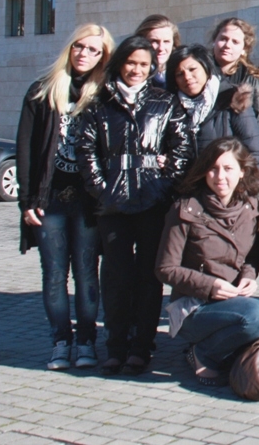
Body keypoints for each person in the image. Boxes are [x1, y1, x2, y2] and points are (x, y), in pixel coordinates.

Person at [76, 35, 193, 376]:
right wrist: (101, 189)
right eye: (132, 63)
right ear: (120, 63)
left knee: (148, 277)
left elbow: (182, 150)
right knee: (116, 278)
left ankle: (141, 347)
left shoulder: (165, 102)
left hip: (151, 203)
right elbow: (87, 152)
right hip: (113, 207)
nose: (137, 70)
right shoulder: (100, 104)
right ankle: (115, 346)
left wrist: (162, 184)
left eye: (144, 65)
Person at [17, 23, 115, 371]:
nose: (84, 54)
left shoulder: (105, 94)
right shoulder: (42, 92)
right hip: (50, 200)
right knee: (54, 274)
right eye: (79, 46)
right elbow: (26, 150)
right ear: (69, 48)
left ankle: (87, 341)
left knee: (88, 273)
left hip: (88, 203)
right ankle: (61, 341)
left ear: (104, 57)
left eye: (94, 50)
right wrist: (27, 201)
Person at [155, 138, 259, 386]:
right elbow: (165, 269)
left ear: (242, 172)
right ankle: (204, 353)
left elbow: (252, 256)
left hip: (234, 302)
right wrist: (210, 286)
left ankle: (215, 350)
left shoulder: (252, 209)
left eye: (228, 169)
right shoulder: (186, 210)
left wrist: (249, 276)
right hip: (193, 307)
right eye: (213, 168)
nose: (220, 176)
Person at [167, 44, 259, 168]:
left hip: (227, 184)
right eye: (180, 74)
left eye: (192, 69)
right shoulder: (171, 108)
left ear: (206, 68)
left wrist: (246, 186)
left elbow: (256, 153)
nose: (187, 77)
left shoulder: (232, 99)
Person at [211, 17, 259, 139]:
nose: (227, 45)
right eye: (223, 39)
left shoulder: (250, 79)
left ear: (244, 49)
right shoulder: (201, 73)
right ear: (214, 41)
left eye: (235, 42)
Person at [134, 14, 179, 88]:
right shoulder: (135, 74)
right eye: (154, 41)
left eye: (166, 41)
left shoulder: (180, 74)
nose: (161, 48)